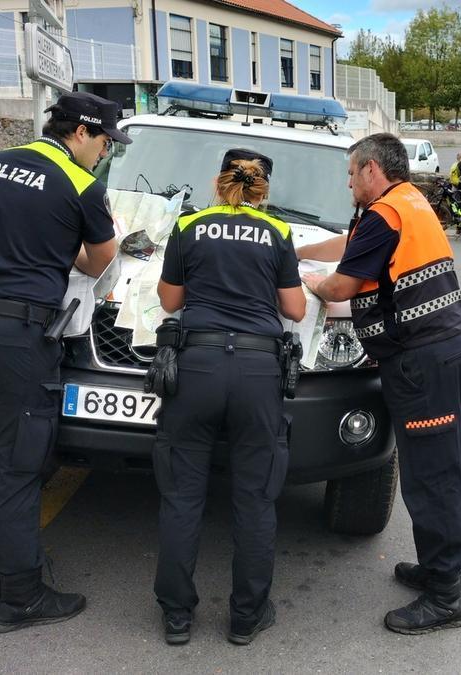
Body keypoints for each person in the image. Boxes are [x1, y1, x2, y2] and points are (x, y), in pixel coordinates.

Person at [0, 92, 126, 633]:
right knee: (16, 470)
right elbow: (101, 258)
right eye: (106, 142)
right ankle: (21, 597)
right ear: (83, 133)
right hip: (15, 337)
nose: (105, 153)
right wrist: (67, 248)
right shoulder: (83, 185)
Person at [296, 133, 461, 634]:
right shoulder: (406, 203)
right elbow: (346, 249)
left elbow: (340, 285)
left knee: (432, 476)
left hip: (423, 363)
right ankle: (438, 569)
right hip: (433, 357)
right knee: (431, 466)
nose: (348, 182)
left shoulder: (384, 214)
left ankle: (446, 596)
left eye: (352, 173)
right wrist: (294, 249)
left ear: (373, 169)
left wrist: (304, 281)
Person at [153, 150, 306, 646]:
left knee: (181, 496)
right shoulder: (278, 233)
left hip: (196, 367)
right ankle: (246, 617)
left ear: (219, 183)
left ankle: (177, 616)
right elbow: (296, 309)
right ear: (264, 188)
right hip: (259, 372)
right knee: (256, 499)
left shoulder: (190, 224)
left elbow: (170, 300)